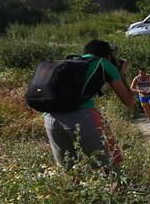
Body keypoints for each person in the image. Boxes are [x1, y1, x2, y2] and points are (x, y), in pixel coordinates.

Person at [42, 39, 137, 168]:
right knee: (111, 166)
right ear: (108, 55)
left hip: (50, 118)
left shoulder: (69, 63)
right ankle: (117, 187)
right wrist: (121, 73)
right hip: (83, 117)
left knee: (70, 171)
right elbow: (129, 101)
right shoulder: (103, 64)